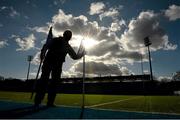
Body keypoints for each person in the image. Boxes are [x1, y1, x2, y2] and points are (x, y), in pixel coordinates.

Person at [34, 29, 85, 107]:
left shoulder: (67, 46)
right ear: (65, 35)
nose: (68, 37)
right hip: (49, 61)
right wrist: (42, 53)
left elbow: (74, 56)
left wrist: (82, 54)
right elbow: (46, 46)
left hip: (57, 64)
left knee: (53, 82)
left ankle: (49, 101)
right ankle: (39, 100)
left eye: (69, 36)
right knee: (45, 80)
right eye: (68, 35)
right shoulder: (56, 40)